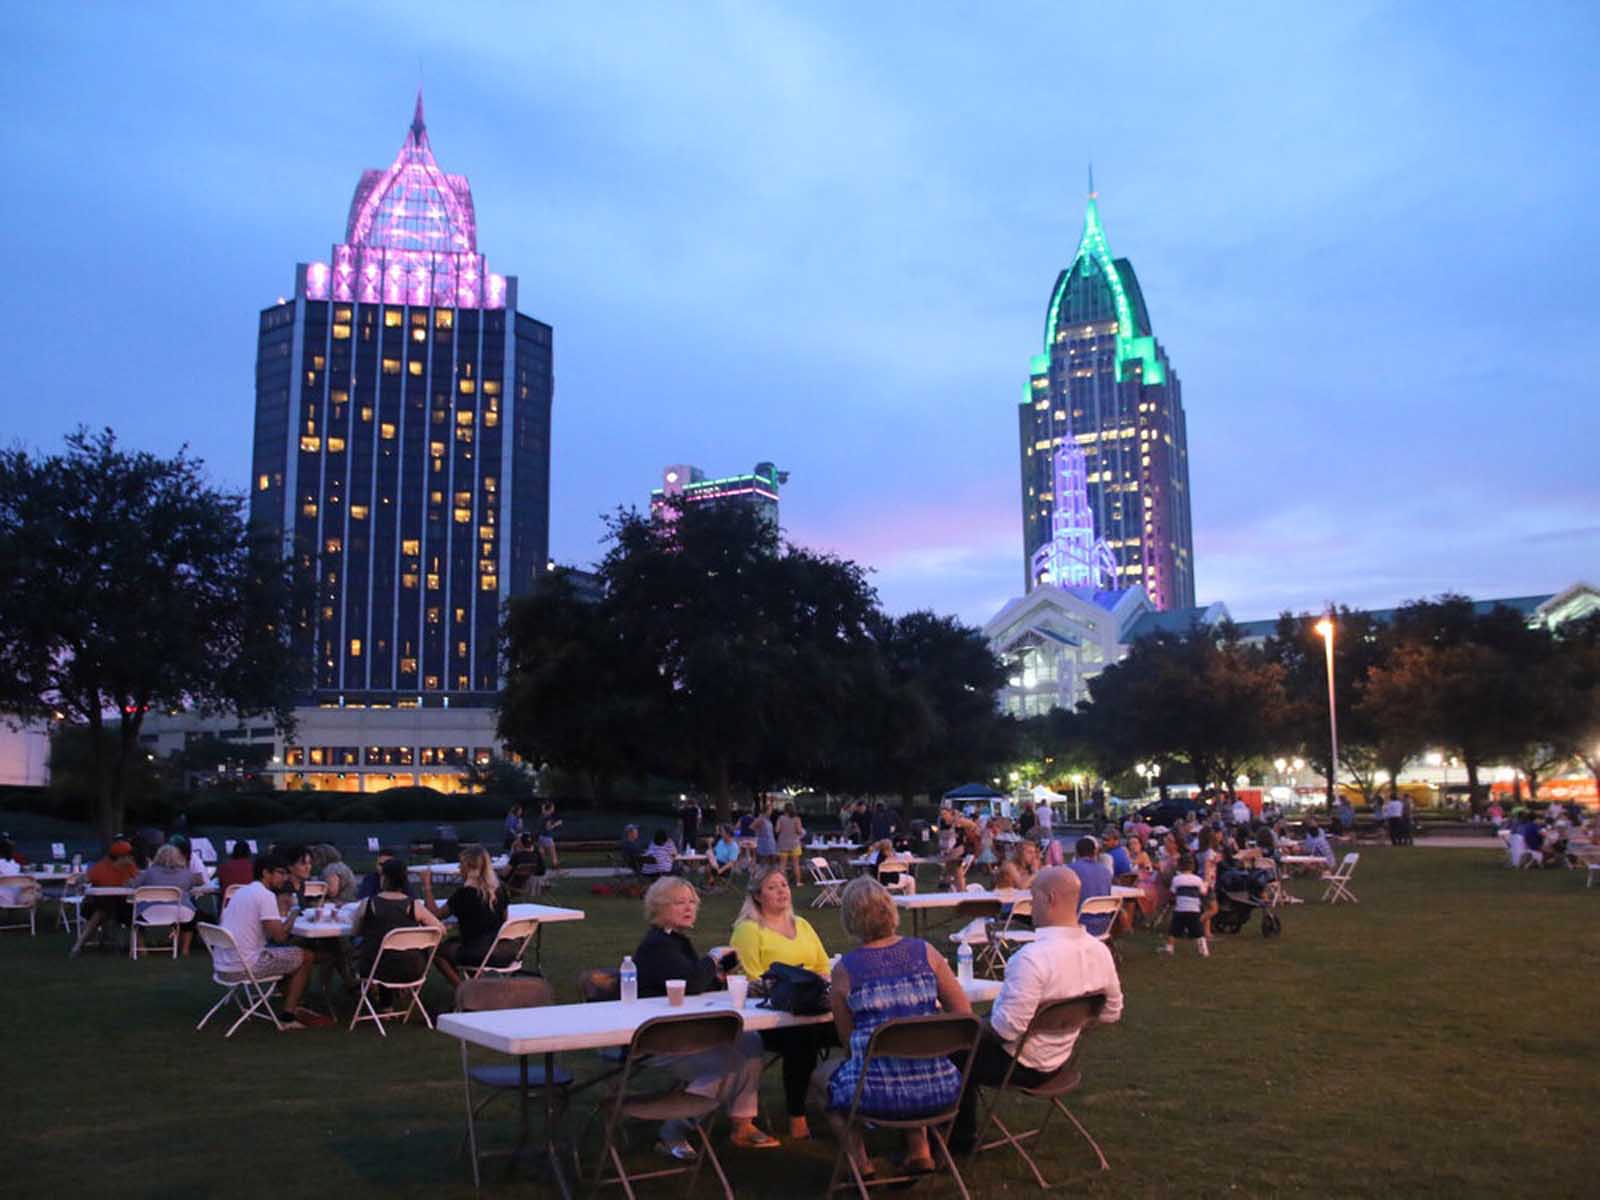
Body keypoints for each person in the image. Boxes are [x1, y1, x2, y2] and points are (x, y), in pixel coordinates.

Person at [949, 866, 1123, 1151]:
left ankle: (956, 1139)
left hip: (1022, 1064)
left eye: (1033, 897)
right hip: (1060, 1058)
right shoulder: (1099, 952)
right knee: (969, 1031)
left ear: (1049, 899)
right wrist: (1068, 1020)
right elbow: (1111, 1013)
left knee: (951, 1046)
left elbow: (1006, 1030)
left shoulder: (1031, 958)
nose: (1030, 906)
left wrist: (967, 1027)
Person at [809, 876, 972, 1178]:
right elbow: (963, 1014)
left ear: (850, 919)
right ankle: (920, 1152)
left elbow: (848, 1044)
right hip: (941, 1087)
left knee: (823, 1078)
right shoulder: (927, 953)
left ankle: (860, 1163)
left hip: (875, 1094)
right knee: (911, 1057)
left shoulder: (845, 971)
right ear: (891, 910)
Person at [632, 877, 779, 1155]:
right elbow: (691, 984)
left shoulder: (676, 941)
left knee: (750, 1041)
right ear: (659, 908)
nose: (689, 908)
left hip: (685, 1027)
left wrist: (720, 973)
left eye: (692, 902)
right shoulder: (658, 945)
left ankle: (743, 1121)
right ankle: (672, 1131)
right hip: (659, 1039)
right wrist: (712, 959)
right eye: (679, 903)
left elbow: (694, 985)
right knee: (729, 1063)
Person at [727, 866, 835, 1139]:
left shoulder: (803, 924)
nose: (781, 891)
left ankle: (854, 1100)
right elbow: (752, 979)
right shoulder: (749, 930)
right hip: (772, 1015)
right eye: (772, 887)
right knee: (802, 1038)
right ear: (758, 896)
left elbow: (824, 966)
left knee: (852, 1028)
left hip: (814, 1004)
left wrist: (813, 982)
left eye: (784, 885)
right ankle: (797, 1115)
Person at [215, 853, 332, 1027]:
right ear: (265, 873)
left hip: (222, 966)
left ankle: (293, 1004)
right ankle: (289, 1016)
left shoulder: (241, 892)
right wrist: (293, 913)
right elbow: (280, 937)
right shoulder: (265, 895)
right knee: (306, 956)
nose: (284, 878)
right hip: (245, 966)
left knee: (289, 955)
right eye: (280, 873)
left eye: (285, 873)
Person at [420, 845, 510, 986]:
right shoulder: (500, 890)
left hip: (477, 951)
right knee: (454, 943)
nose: (458, 868)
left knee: (436, 950)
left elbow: (435, 915)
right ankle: (477, 985)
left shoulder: (465, 894)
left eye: (460, 864)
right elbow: (504, 920)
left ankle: (463, 991)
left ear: (468, 866)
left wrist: (427, 886)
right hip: (501, 951)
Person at [352, 857, 444, 984]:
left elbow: (355, 931)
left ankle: (380, 1000)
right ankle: (392, 1001)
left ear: (383, 878)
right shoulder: (414, 906)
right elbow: (440, 930)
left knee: (369, 952)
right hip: (412, 969)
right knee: (394, 957)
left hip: (376, 969)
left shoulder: (368, 904)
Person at [130, 842, 207, 956]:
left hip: (150, 913)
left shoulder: (148, 873)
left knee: (132, 914)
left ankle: (142, 948)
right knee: (192, 915)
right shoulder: (186, 874)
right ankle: (185, 949)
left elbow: (132, 885)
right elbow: (199, 882)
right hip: (181, 912)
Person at [69, 839, 140, 956]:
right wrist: (81, 882)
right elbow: (82, 880)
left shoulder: (130, 867)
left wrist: (132, 883)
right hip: (96, 904)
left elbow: (138, 881)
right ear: (120, 857)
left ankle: (79, 945)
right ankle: (79, 945)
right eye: (129, 856)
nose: (132, 858)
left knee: (106, 910)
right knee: (103, 909)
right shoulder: (101, 867)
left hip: (122, 904)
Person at [1160, 852, 1209, 957]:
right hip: (1194, 909)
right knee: (1198, 931)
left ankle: (1169, 948)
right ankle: (1203, 950)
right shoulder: (1198, 879)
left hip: (1180, 909)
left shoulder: (1176, 879)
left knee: (1174, 930)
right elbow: (1203, 892)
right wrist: (1206, 883)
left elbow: (1172, 892)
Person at [1067, 837, 1113, 937]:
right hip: (1103, 925)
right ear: (1095, 852)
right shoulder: (1106, 871)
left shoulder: (1070, 870)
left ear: (1076, 852)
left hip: (1078, 925)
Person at [775, 802, 806, 885]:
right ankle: (798, 881)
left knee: (782, 865)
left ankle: (782, 882)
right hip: (794, 843)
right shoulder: (797, 819)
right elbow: (799, 831)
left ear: (785, 809)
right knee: (796, 864)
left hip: (783, 843)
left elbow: (777, 830)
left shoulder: (780, 818)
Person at [535, 799, 562, 869]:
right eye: (553, 807)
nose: (554, 808)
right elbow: (548, 828)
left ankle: (540, 867)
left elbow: (543, 809)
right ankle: (555, 866)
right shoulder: (548, 817)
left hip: (540, 836)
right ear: (550, 808)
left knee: (542, 853)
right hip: (547, 837)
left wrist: (545, 804)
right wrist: (557, 824)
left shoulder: (543, 815)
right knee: (553, 854)